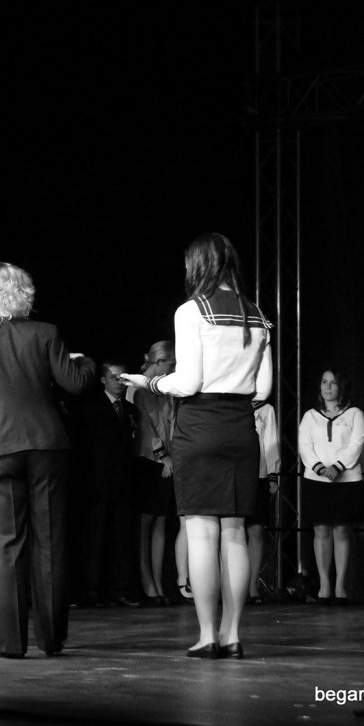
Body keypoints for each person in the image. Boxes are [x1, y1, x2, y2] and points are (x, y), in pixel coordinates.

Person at [123, 232, 273, 660]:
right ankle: (233, 634)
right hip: (241, 427)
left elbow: (187, 382)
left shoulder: (192, 311)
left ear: (198, 266)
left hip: (200, 425)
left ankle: (208, 635)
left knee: (202, 532)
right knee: (235, 532)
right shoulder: (257, 315)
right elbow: (263, 389)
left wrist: (149, 382)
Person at [0, 262, 95, 658]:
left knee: (7, 544)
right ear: (22, 293)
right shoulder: (45, 333)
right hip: (47, 446)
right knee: (49, 542)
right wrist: (85, 362)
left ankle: (12, 643)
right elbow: (75, 383)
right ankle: (51, 639)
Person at [298, 368, 364, 605]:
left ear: (341, 386)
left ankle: (340, 586)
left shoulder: (354, 414)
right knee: (321, 531)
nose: (327, 387)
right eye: (324, 382)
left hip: (347, 481)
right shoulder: (310, 416)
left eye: (333, 383)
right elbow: (304, 445)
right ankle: (324, 584)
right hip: (317, 481)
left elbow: (356, 443)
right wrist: (320, 468)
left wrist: (337, 467)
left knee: (342, 531)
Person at [77, 359, 142, 608]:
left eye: (123, 377)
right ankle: (92, 590)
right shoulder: (92, 407)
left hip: (123, 481)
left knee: (120, 537)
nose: (119, 382)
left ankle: (119, 589)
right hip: (98, 483)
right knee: (95, 538)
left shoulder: (129, 409)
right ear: (103, 380)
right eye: (114, 377)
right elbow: (86, 447)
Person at [131, 341, 176, 607]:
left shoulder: (164, 391)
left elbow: (170, 424)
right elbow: (147, 429)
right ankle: (147, 583)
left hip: (166, 462)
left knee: (159, 520)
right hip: (147, 460)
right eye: (170, 365)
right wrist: (163, 456)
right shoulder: (139, 389)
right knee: (146, 521)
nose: (172, 370)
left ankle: (158, 583)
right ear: (159, 362)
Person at [249, 398, 280, 603]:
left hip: (258, 475)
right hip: (232, 474)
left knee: (256, 529)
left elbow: (270, 442)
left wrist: (272, 474)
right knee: (231, 531)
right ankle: (230, 584)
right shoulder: (228, 403)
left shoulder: (265, 409)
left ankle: (252, 585)